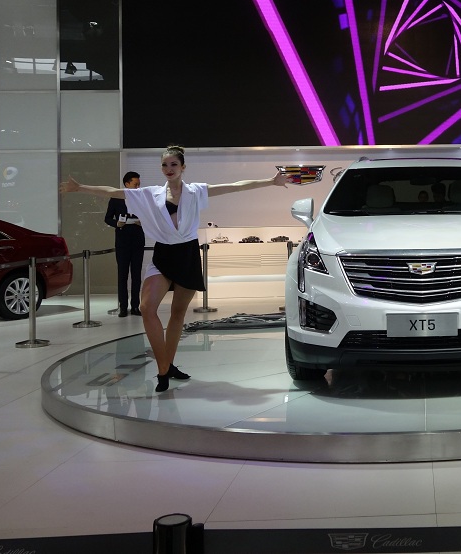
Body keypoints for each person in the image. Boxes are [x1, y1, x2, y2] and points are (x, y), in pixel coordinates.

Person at [61, 145, 292, 393]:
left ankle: (167, 366)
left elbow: (234, 186)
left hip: (187, 254)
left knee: (178, 314)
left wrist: (271, 181)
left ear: (183, 167)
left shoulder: (196, 191)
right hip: (163, 254)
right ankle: (163, 367)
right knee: (147, 308)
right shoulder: (150, 194)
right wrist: (80, 187)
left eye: (173, 164)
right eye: (164, 165)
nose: (168, 169)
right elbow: (114, 192)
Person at [104, 171, 145, 318]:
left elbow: (150, 216)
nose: (138, 187)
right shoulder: (116, 198)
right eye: (135, 184)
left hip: (138, 239)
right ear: (127, 184)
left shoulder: (142, 198)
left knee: (136, 274)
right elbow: (107, 218)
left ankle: (135, 306)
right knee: (122, 275)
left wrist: (143, 222)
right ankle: (123, 306)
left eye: (139, 184)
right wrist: (117, 223)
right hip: (122, 240)